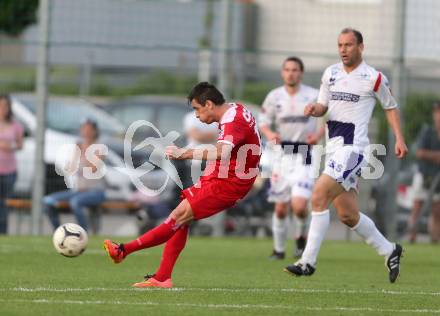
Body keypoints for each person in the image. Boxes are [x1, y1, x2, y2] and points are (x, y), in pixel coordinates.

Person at [104, 82, 261, 288]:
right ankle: (162, 277)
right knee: (181, 219)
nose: (196, 115)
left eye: (197, 108)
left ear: (209, 104)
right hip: (221, 175)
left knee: (177, 217)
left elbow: (222, 151)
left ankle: (124, 251)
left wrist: (185, 153)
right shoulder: (234, 109)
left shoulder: (233, 119)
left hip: (230, 182)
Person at [284, 28, 408, 283]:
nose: (343, 49)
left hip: (355, 150)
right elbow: (323, 107)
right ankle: (389, 250)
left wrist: (399, 138)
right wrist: (313, 109)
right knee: (348, 214)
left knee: (318, 195)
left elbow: (391, 107)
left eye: (349, 45)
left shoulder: (373, 78)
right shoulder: (330, 74)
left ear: (361, 47)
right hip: (334, 149)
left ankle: (307, 261)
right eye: (340, 44)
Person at [259, 56, 323, 259]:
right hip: (281, 156)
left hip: (304, 153)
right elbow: (263, 122)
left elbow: (328, 120)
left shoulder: (313, 95)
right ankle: (278, 250)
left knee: (299, 206)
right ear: (282, 73)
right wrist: (270, 135)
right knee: (280, 209)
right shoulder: (274, 96)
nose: (291, 73)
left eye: (295, 69)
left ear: (301, 73)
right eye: (287, 69)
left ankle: (300, 238)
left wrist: (318, 136)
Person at [43, 118, 106, 231]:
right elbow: (71, 168)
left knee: (75, 203)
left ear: (95, 131)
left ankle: (83, 232)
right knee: (48, 200)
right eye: (84, 129)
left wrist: (80, 158)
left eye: (89, 129)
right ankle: (59, 231)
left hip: (96, 192)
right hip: (78, 190)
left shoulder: (99, 148)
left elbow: (92, 169)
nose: (86, 132)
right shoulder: (78, 147)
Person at [407, 102, 440, 243]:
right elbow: (419, 152)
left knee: (437, 211)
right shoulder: (428, 132)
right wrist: (435, 156)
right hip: (424, 174)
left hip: (438, 178)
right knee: (417, 208)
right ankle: (411, 236)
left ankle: (435, 238)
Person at [0, 94, 24, 234]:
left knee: (4, 204)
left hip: (9, 171)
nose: (2, 109)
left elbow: (20, 145)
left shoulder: (15, 125)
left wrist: (10, 146)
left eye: (5, 106)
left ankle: (3, 234)